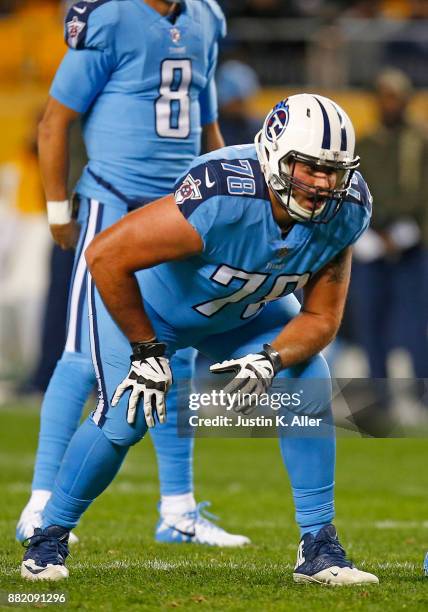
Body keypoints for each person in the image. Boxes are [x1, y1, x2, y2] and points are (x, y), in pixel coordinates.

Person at [21, 93, 379, 585]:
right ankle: (49, 535)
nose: (321, 183)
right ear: (275, 154)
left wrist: (270, 360)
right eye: (308, 167)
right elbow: (107, 255)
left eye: (332, 171)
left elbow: (321, 317)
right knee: (126, 416)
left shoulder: (347, 209)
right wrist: (147, 350)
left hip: (241, 313)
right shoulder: (224, 194)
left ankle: (318, 546)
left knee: (305, 375)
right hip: (153, 311)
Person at [17, 0, 250, 548]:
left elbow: (207, 121)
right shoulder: (111, 17)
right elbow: (55, 121)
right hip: (114, 202)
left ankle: (178, 510)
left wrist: (233, 201)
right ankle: (41, 503)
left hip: (179, 210)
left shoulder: (206, 16)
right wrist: (57, 211)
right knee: (81, 352)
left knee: (179, 355)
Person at [350, 68, 428, 414]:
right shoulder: (364, 143)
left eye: (395, 96)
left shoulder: (421, 141)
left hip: (414, 242)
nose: (390, 103)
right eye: (384, 96)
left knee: (415, 320)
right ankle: (380, 393)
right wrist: (364, 234)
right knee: (371, 319)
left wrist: (413, 231)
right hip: (372, 244)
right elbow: (352, 193)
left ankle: (422, 391)